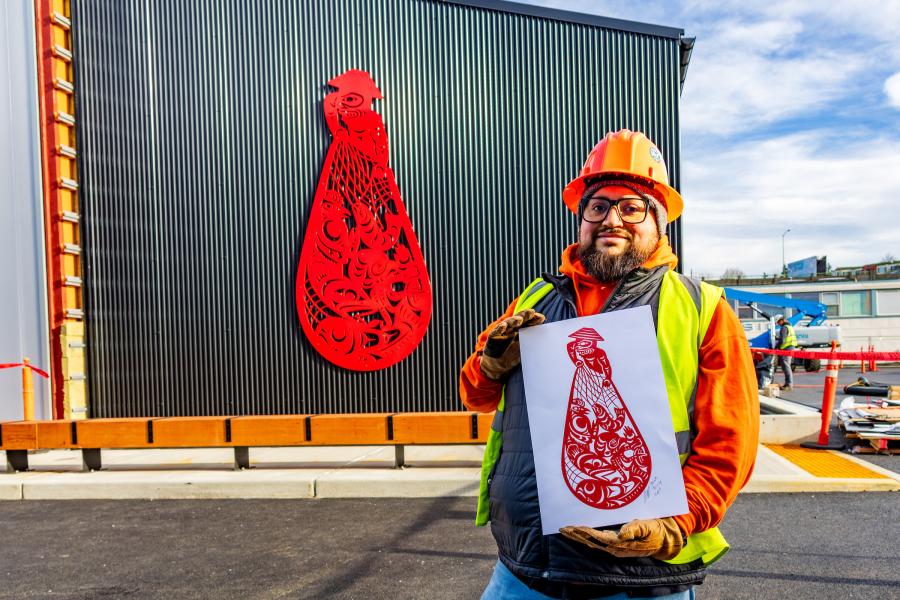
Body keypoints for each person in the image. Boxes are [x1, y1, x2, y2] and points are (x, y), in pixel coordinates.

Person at [459, 129, 760, 599]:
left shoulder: (701, 307)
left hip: (640, 576)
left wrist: (677, 522)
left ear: (659, 222)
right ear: (581, 219)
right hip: (527, 569)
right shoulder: (538, 297)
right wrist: (491, 365)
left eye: (631, 207)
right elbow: (476, 396)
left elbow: (730, 441)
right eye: (597, 206)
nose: (611, 219)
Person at [774, 315, 797, 391]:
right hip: (790, 347)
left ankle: (789, 385)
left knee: (786, 366)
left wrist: (776, 347)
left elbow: (782, 341)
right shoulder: (789, 327)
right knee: (786, 366)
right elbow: (785, 338)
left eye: (778, 322)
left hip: (787, 348)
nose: (778, 324)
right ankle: (788, 384)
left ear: (782, 320)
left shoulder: (784, 328)